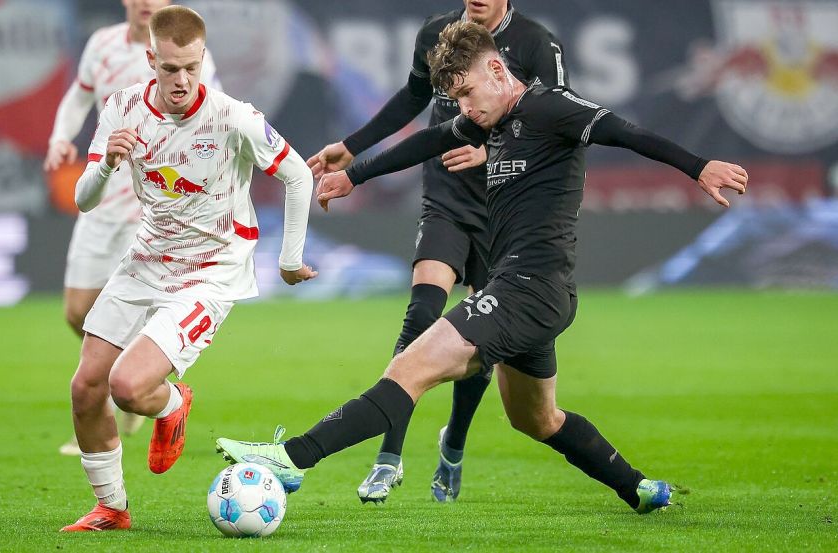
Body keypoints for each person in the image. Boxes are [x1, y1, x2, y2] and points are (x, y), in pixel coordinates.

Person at [216, 20, 748, 514]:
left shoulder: (550, 109)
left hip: (529, 290)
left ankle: (290, 460)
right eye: (455, 100)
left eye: (467, 93)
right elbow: (427, 139)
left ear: (497, 69)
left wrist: (699, 167)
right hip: (529, 292)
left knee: (407, 369)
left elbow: (628, 133)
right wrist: (355, 174)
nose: (464, 109)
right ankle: (638, 488)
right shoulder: (489, 119)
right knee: (537, 419)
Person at [60, 6, 316, 532]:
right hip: (147, 258)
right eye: (170, 68)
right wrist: (107, 162)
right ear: (150, 58)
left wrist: (289, 259)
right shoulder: (122, 108)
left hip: (211, 271)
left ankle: (172, 401)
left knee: (128, 387)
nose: (181, 80)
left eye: (191, 68)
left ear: (203, 59)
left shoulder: (232, 116)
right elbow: (85, 201)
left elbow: (297, 175)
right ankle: (112, 508)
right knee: (86, 387)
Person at [308, 0, 569, 504]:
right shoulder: (436, 32)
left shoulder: (538, 43)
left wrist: (492, 151)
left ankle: (454, 442)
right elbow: (412, 97)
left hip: (502, 204)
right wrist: (353, 145)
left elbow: (555, 129)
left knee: (482, 339)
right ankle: (390, 455)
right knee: (422, 313)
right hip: (446, 199)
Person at [44, 0, 223, 456]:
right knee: (77, 311)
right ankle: (132, 383)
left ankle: (125, 396)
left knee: (125, 315)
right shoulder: (102, 45)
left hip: (155, 209)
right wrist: (60, 137)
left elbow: (214, 121)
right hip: (104, 197)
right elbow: (79, 95)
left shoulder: (185, 57)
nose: (147, 3)